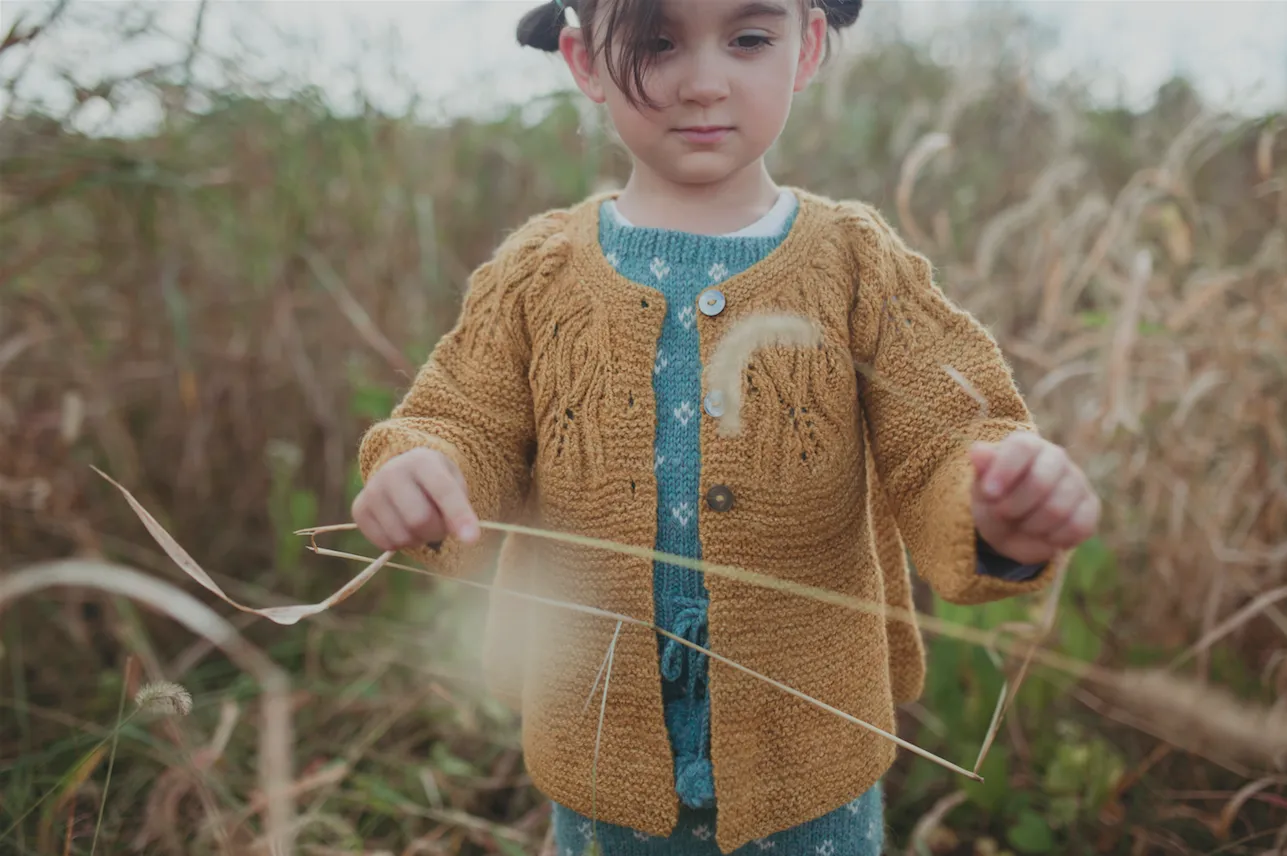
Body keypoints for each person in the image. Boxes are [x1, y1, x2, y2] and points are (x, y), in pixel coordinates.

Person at [351, 0, 1101, 853]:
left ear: (807, 44)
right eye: (654, 41)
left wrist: (996, 511)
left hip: (810, 764)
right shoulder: (539, 270)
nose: (704, 82)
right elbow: (461, 418)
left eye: (749, 38)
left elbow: (943, 441)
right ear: (583, 60)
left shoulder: (854, 261)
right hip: (600, 747)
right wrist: (422, 466)